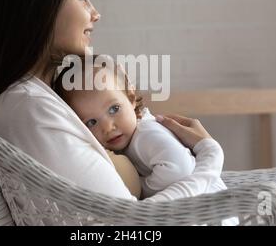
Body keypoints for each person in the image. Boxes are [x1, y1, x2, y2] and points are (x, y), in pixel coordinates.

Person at [0, 0, 233, 210]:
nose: (95, 13)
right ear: (42, 7)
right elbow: (125, 222)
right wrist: (210, 154)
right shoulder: (29, 108)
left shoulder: (43, 96)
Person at [53, 54, 229, 199]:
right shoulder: (128, 140)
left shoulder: (145, 133)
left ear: (130, 98)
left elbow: (179, 167)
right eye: (91, 122)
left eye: (114, 109)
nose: (108, 127)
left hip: (209, 208)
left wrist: (141, 188)